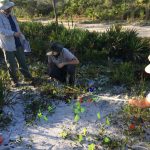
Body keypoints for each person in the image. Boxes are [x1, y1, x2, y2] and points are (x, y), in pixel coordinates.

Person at [0, 0, 32, 87]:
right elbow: (1, 30)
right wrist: (13, 33)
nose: (10, 8)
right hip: (7, 45)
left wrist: (23, 38)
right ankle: (14, 81)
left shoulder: (12, 16)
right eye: (9, 7)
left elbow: (17, 28)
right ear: (4, 8)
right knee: (11, 64)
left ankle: (28, 77)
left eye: (10, 7)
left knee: (22, 61)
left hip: (18, 42)